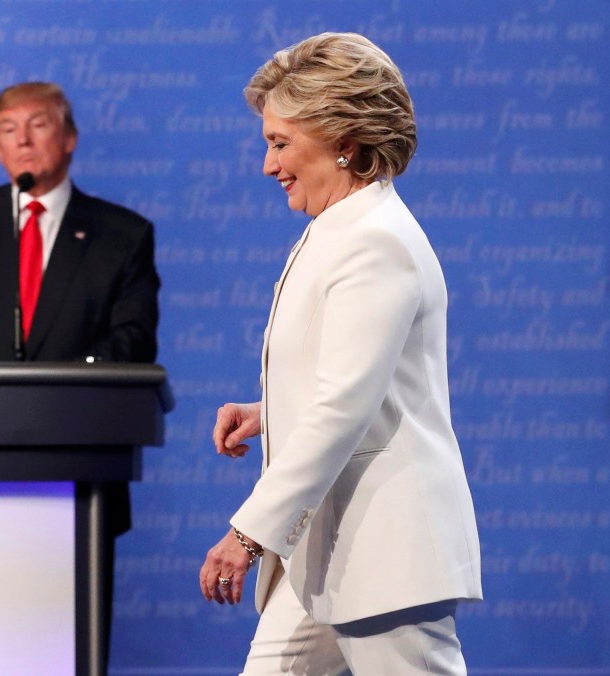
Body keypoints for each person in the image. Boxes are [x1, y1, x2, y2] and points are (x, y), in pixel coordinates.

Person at [198, 33, 482, 675]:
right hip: (324, 550)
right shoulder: (340, 230)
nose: (269, 165)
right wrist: (270, 410)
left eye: (280, 143)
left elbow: (341, 410)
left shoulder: (374, 242)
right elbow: (349, 386)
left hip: (386, 549)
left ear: (344, 142)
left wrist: (246, 534)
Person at [0, 81, 159, 668]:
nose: (22, 138)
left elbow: (132, 339)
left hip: (80, 468)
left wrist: (53, 393)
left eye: (37, 124)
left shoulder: (123, 235)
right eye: (7, 129)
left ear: (68, 138)